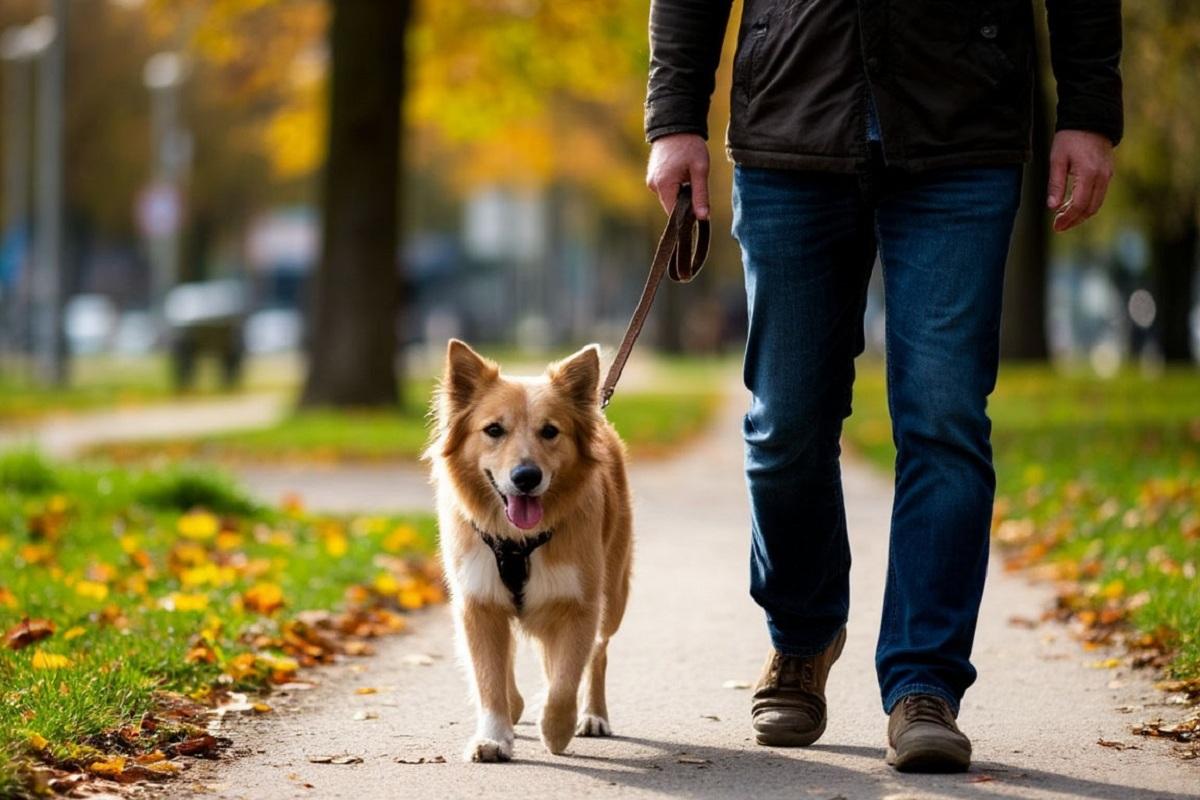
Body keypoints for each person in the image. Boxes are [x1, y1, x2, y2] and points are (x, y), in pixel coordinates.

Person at [643, 0, 1121, 773]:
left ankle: (924, 683)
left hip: (964, 121)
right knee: (785, 426)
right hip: (790, 119)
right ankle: (801, 640)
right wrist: (674, 115)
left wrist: (1090, 109)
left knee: (945, 419)